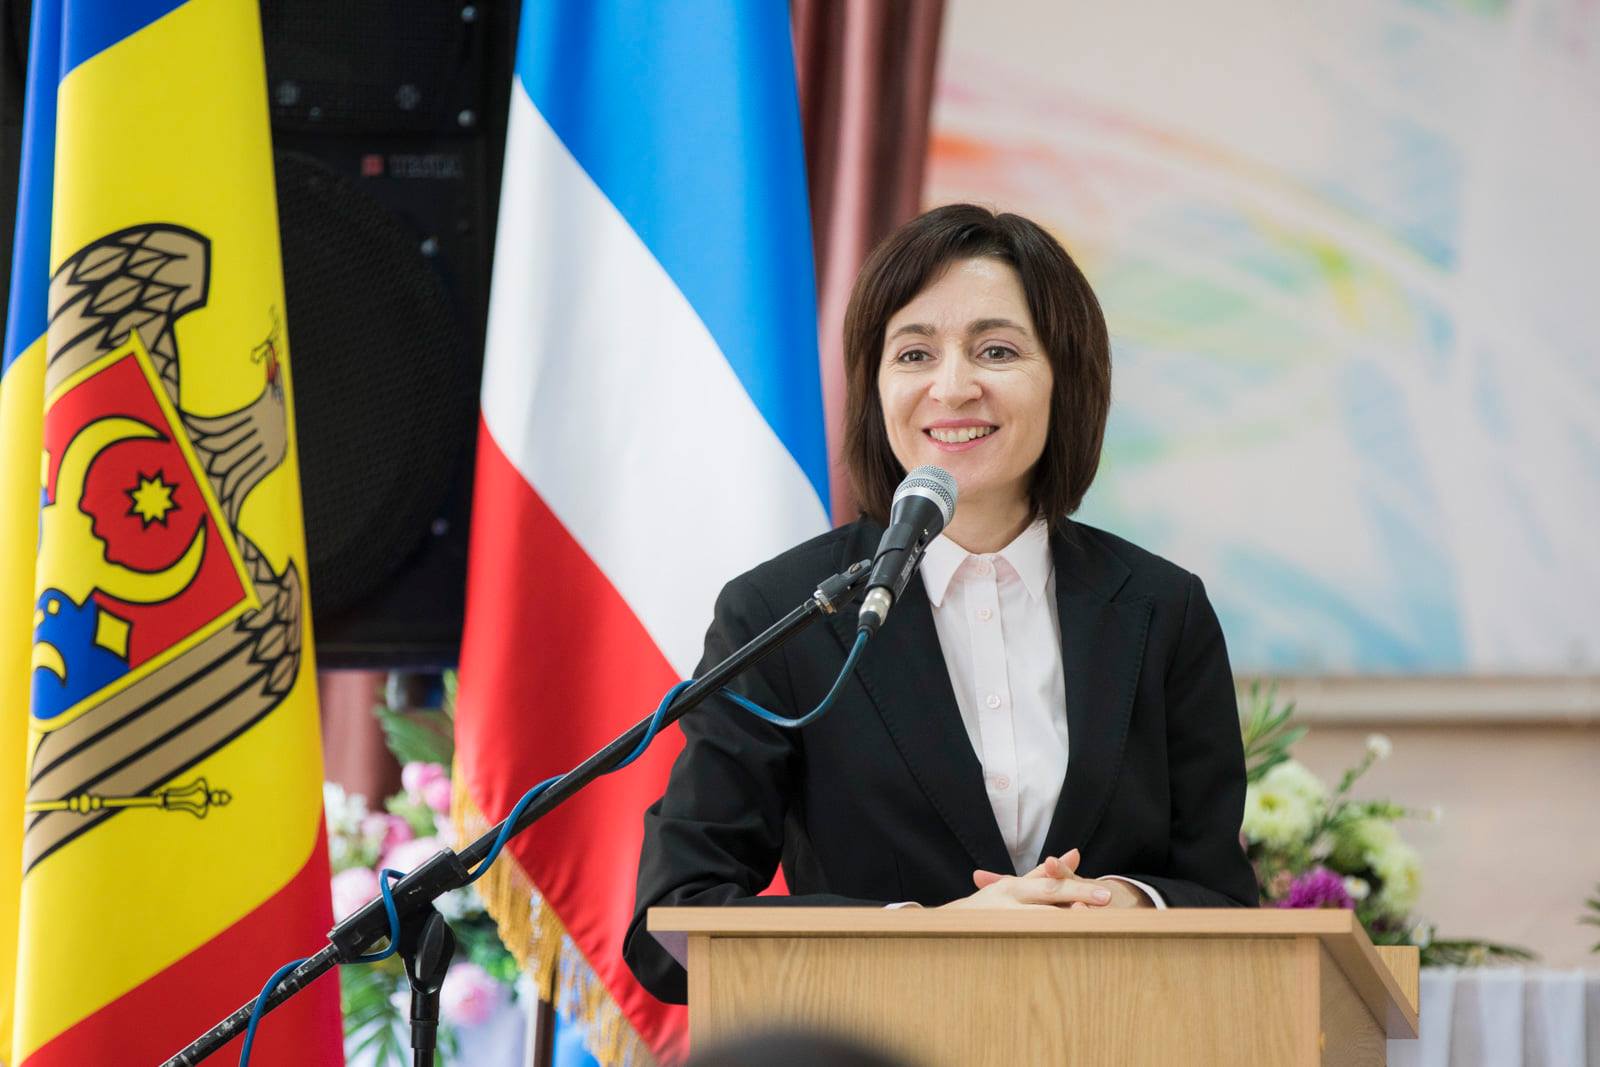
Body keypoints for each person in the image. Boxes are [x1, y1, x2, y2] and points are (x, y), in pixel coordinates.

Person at [623, 204, 1257, 1004]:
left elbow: (1225, 899)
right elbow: (674, 922)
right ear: (875, 386)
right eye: (914, 353)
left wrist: (1119, 902)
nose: (953, 386)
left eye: (997, 350)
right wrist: (930, 930)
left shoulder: (1164, 609)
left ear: (1066, 377)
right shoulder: (782, 612)